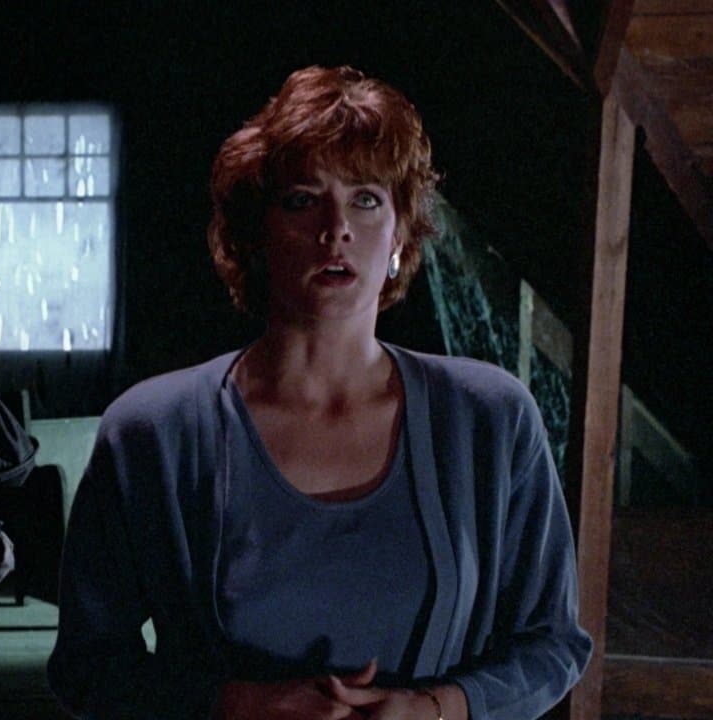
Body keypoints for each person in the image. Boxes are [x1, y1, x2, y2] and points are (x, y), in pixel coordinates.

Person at [47, 65, 591, 720]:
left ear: (400, 233)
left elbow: (552, 642)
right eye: (303, 200)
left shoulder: (488, 419)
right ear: (256, 232)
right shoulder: (154, 430)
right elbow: (88, 663)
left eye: (366, 199)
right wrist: (238, 704)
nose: (336, 229)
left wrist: (437, 708)